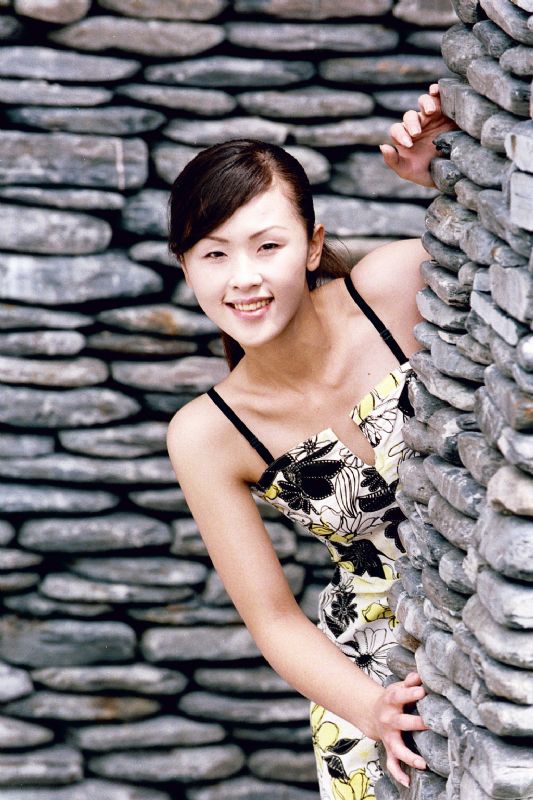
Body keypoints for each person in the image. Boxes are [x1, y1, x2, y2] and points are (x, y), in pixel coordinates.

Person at [166, 84, 455, 798]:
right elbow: (272, 619)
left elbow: (514, 267)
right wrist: (371, 709)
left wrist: (447, 180)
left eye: (268, 246)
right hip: (373, 678)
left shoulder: (391, 289)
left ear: (312, 245)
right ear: (185, 267)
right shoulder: (207, 433)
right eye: (213, 254)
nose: (244, 279)